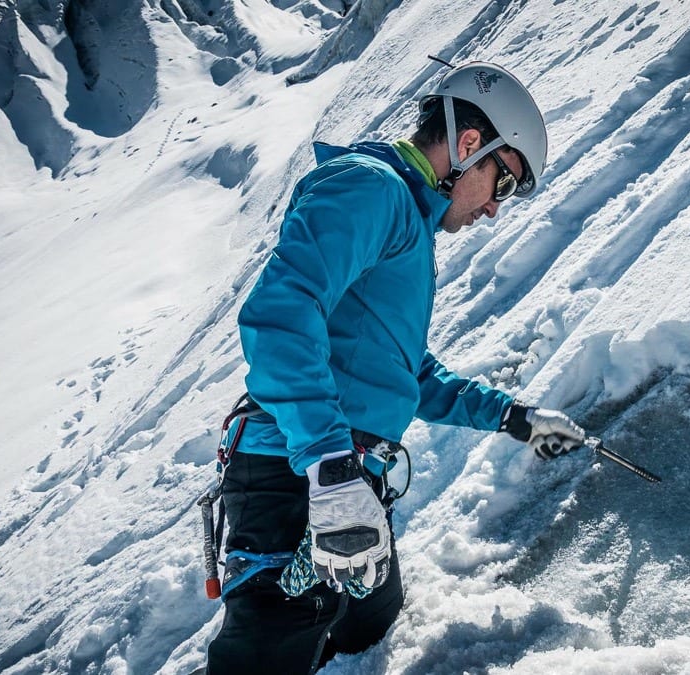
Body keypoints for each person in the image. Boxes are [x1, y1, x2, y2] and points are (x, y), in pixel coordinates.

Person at [206, 61, 587, 674]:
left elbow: (400, 370)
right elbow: (279, 317)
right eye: (504, 182)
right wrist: (329, 468)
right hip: (298, 476)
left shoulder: (408, 216)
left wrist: (514, 417)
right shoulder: (371, 189)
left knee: (369, 629)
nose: (495, 208)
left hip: (349, 479)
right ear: (470, 143)